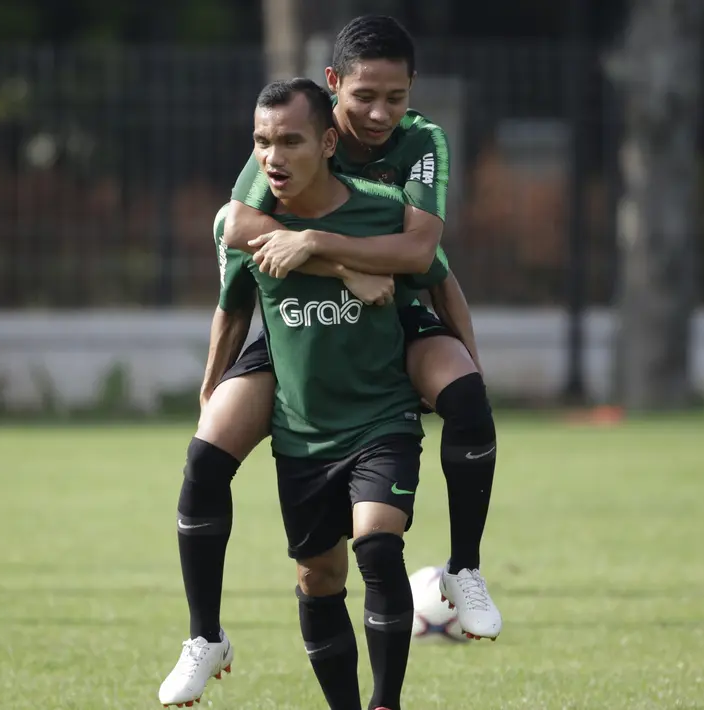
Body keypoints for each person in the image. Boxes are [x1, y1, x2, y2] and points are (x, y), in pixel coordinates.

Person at [160, 15, 502, 706]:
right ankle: (204, 636)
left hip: (390, 318)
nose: (379, 113)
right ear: (333, 88)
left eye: (395, 97)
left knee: (464, 401)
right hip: (295, 332)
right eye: (363, 97)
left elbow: (424, 259)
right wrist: (335, 265)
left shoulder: (416, 147)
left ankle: (464, 570)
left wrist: (319, 245)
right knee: (206, 462)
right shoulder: (288, 139)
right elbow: (233, 226)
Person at [187, 78, 437, 710]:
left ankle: (386, 702)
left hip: (382, 417)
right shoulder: (253, 223)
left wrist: (465, 367)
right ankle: (208, 638)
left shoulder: (383, 208)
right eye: (262, 142)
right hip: (303, 432)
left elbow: (435, 269)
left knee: (378, 543)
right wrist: (211, 383)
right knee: (318, 576)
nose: (273, 156)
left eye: (290, 141)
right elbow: (232, 305)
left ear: (328, 142)